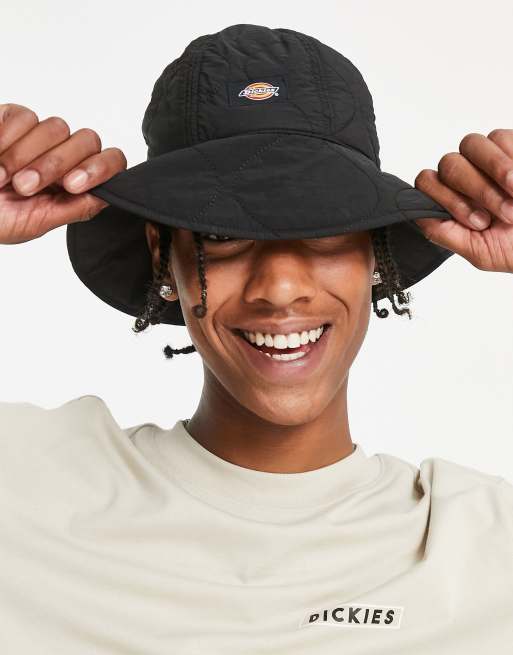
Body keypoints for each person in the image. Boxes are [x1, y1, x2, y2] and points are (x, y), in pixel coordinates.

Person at [0, 22, 512, 654]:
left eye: (325, 228)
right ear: (164, 256)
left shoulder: (481, 548)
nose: (280, 288)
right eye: (222, 235)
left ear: (374, 253)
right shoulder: (26, 489)